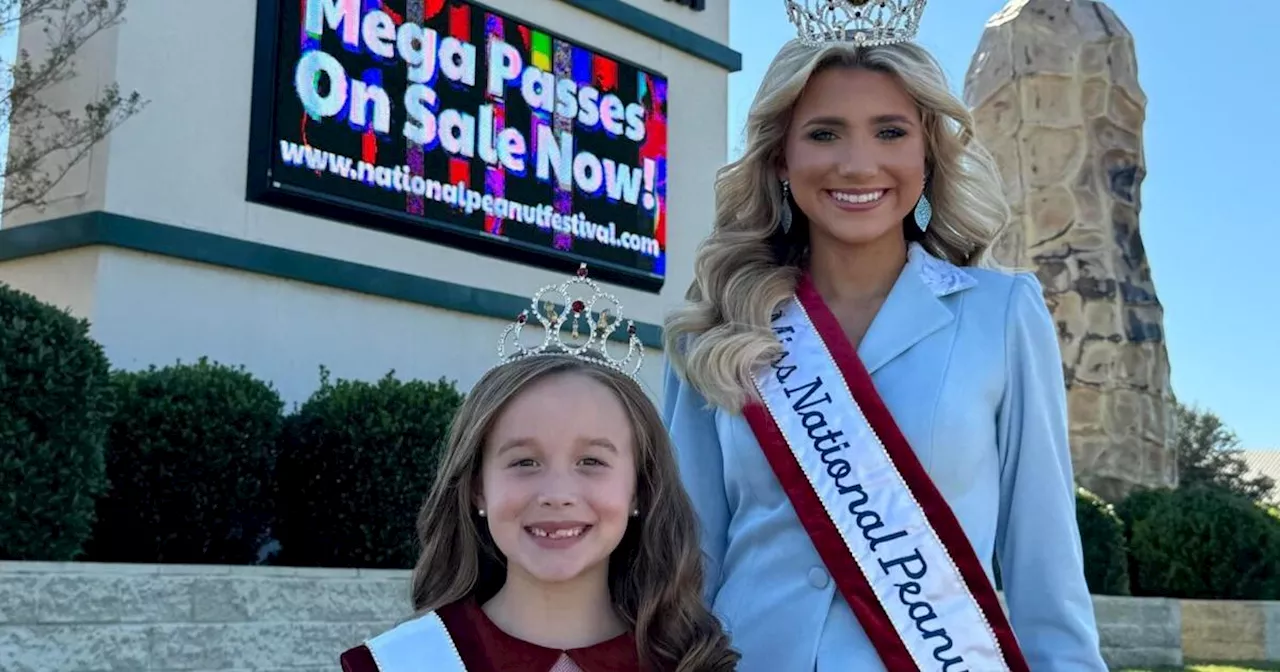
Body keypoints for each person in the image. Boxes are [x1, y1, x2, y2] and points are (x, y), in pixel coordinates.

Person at [661, 1, 1107, 670]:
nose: (858, 163)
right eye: (824, 134)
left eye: (891, 132)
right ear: (781, 157)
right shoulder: (719, 325)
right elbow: (686, 559)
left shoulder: (1001, 314)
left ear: (927, 151)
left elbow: (1042, 557)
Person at [339, 265, 739, 672]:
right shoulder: (400, 663)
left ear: (638, 488)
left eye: (591, 462)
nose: (557, 492)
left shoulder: (691, 662)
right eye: (525, 462)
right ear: (478, 487)